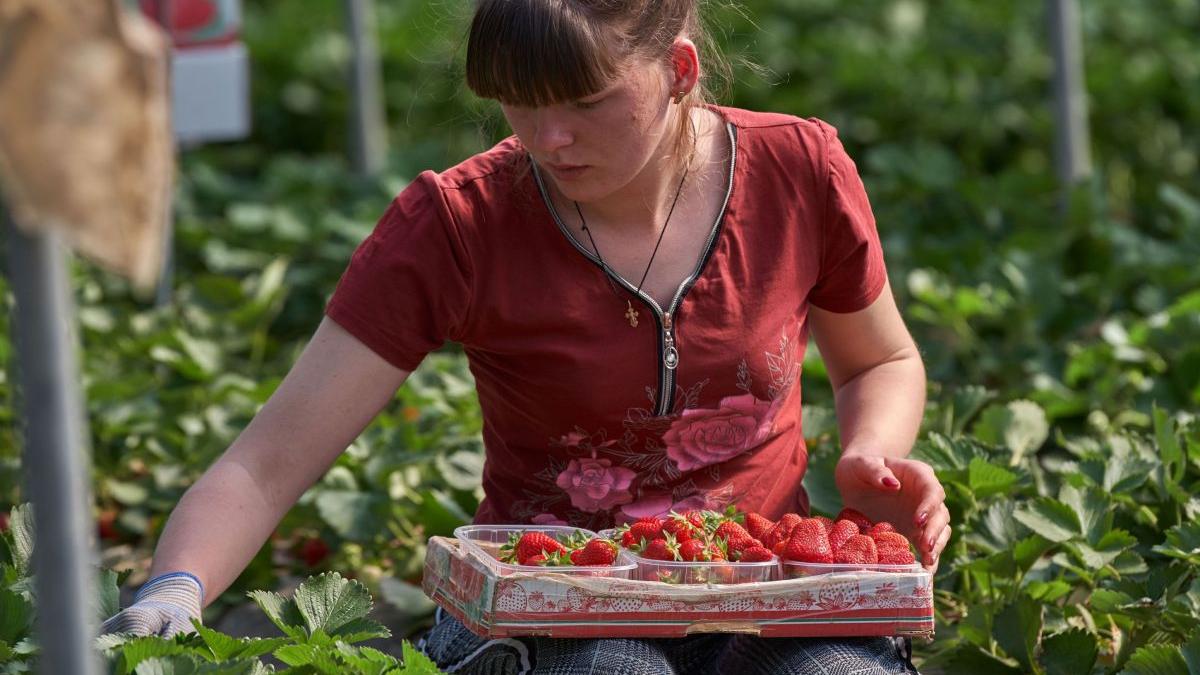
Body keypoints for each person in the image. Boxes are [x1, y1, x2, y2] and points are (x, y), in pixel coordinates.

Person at [103, 0, 951, 672]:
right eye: (520, 102)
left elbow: (878, 359)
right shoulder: (456, 225)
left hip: (766, 589)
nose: (548, 138)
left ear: (679, 70)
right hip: (552, 602)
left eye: (586, 102)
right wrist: (173, 592)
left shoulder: (797, 171)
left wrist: (869, 452)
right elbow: (266, 462)